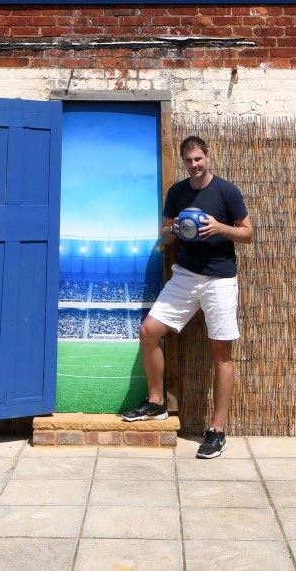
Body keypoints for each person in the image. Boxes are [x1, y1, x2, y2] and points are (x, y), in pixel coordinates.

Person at [122, 135, 253, 459]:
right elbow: (164, 237)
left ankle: (217, 430)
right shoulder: (177, 193)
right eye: (188, 161)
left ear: (208, 157)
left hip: (220, 279)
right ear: (183, 162)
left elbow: (248, 233)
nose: (194, 165)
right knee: (148, 332)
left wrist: (220, 228)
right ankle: (156, 403)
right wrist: (176, 230)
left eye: (198, 159)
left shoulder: (227, 191)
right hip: (184, 277)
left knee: (221, 353)